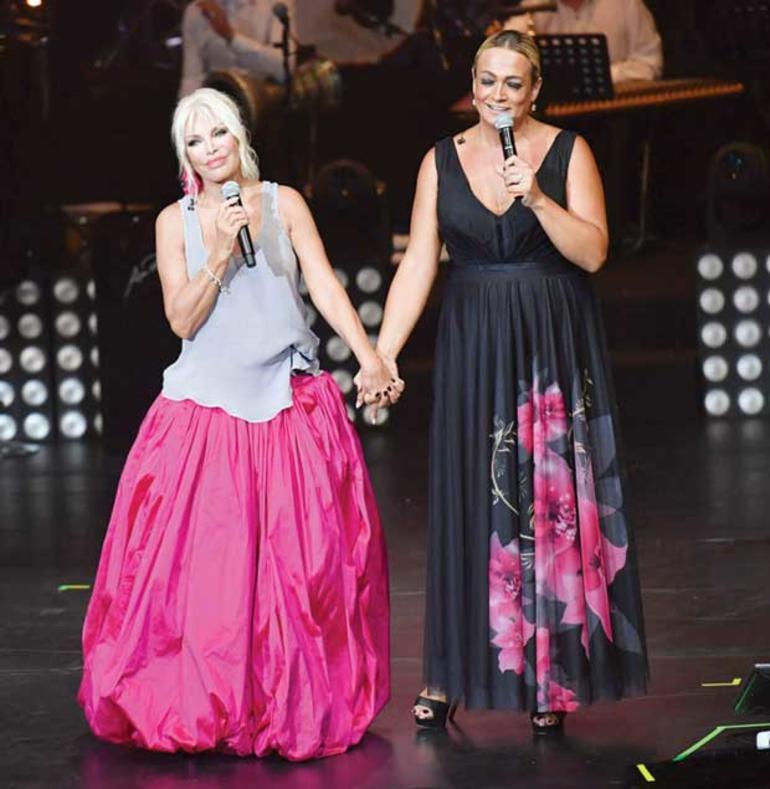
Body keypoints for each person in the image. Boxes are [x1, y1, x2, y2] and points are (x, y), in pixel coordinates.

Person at [77, 87, 399, 760]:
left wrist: (369, 356)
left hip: (286, 400)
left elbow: (324, 285)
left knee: (298, 572)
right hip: (207, 411)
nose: (210, 149)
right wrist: (220, 251)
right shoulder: (175, 222)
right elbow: (181, 319)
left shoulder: (285, 204)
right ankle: (208, 700)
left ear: (239, 135)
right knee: (209, 577)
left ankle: (284, 699)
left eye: (218, 133)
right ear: (184, 156)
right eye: (194, 141)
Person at [360, 30, 648, 733]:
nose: (497, 94)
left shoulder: (569, 151)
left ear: (535, 90)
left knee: (548, 499)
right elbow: (419, 261)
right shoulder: (440, 160)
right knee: (469, 494)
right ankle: (450, 670)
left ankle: (550, 674)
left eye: (512, 83)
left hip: (549, 337)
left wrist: (540, 200)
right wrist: (383, 353)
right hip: (474, 340)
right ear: (472, 84)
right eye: (487, 81)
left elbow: (595, 252)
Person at [502, 0, 663, 83]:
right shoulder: (535, 6)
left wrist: (603, 76)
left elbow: (650, 63)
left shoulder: (624, 4)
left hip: (616, 116)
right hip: (554, 120)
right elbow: (505, 53)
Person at [179, 0, 295, 97]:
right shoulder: (196, 11)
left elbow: (285, 69)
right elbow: (192, 77)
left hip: (266, 107)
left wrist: (231, 37)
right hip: (218, 106)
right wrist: (186, 115)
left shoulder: (276, 3)